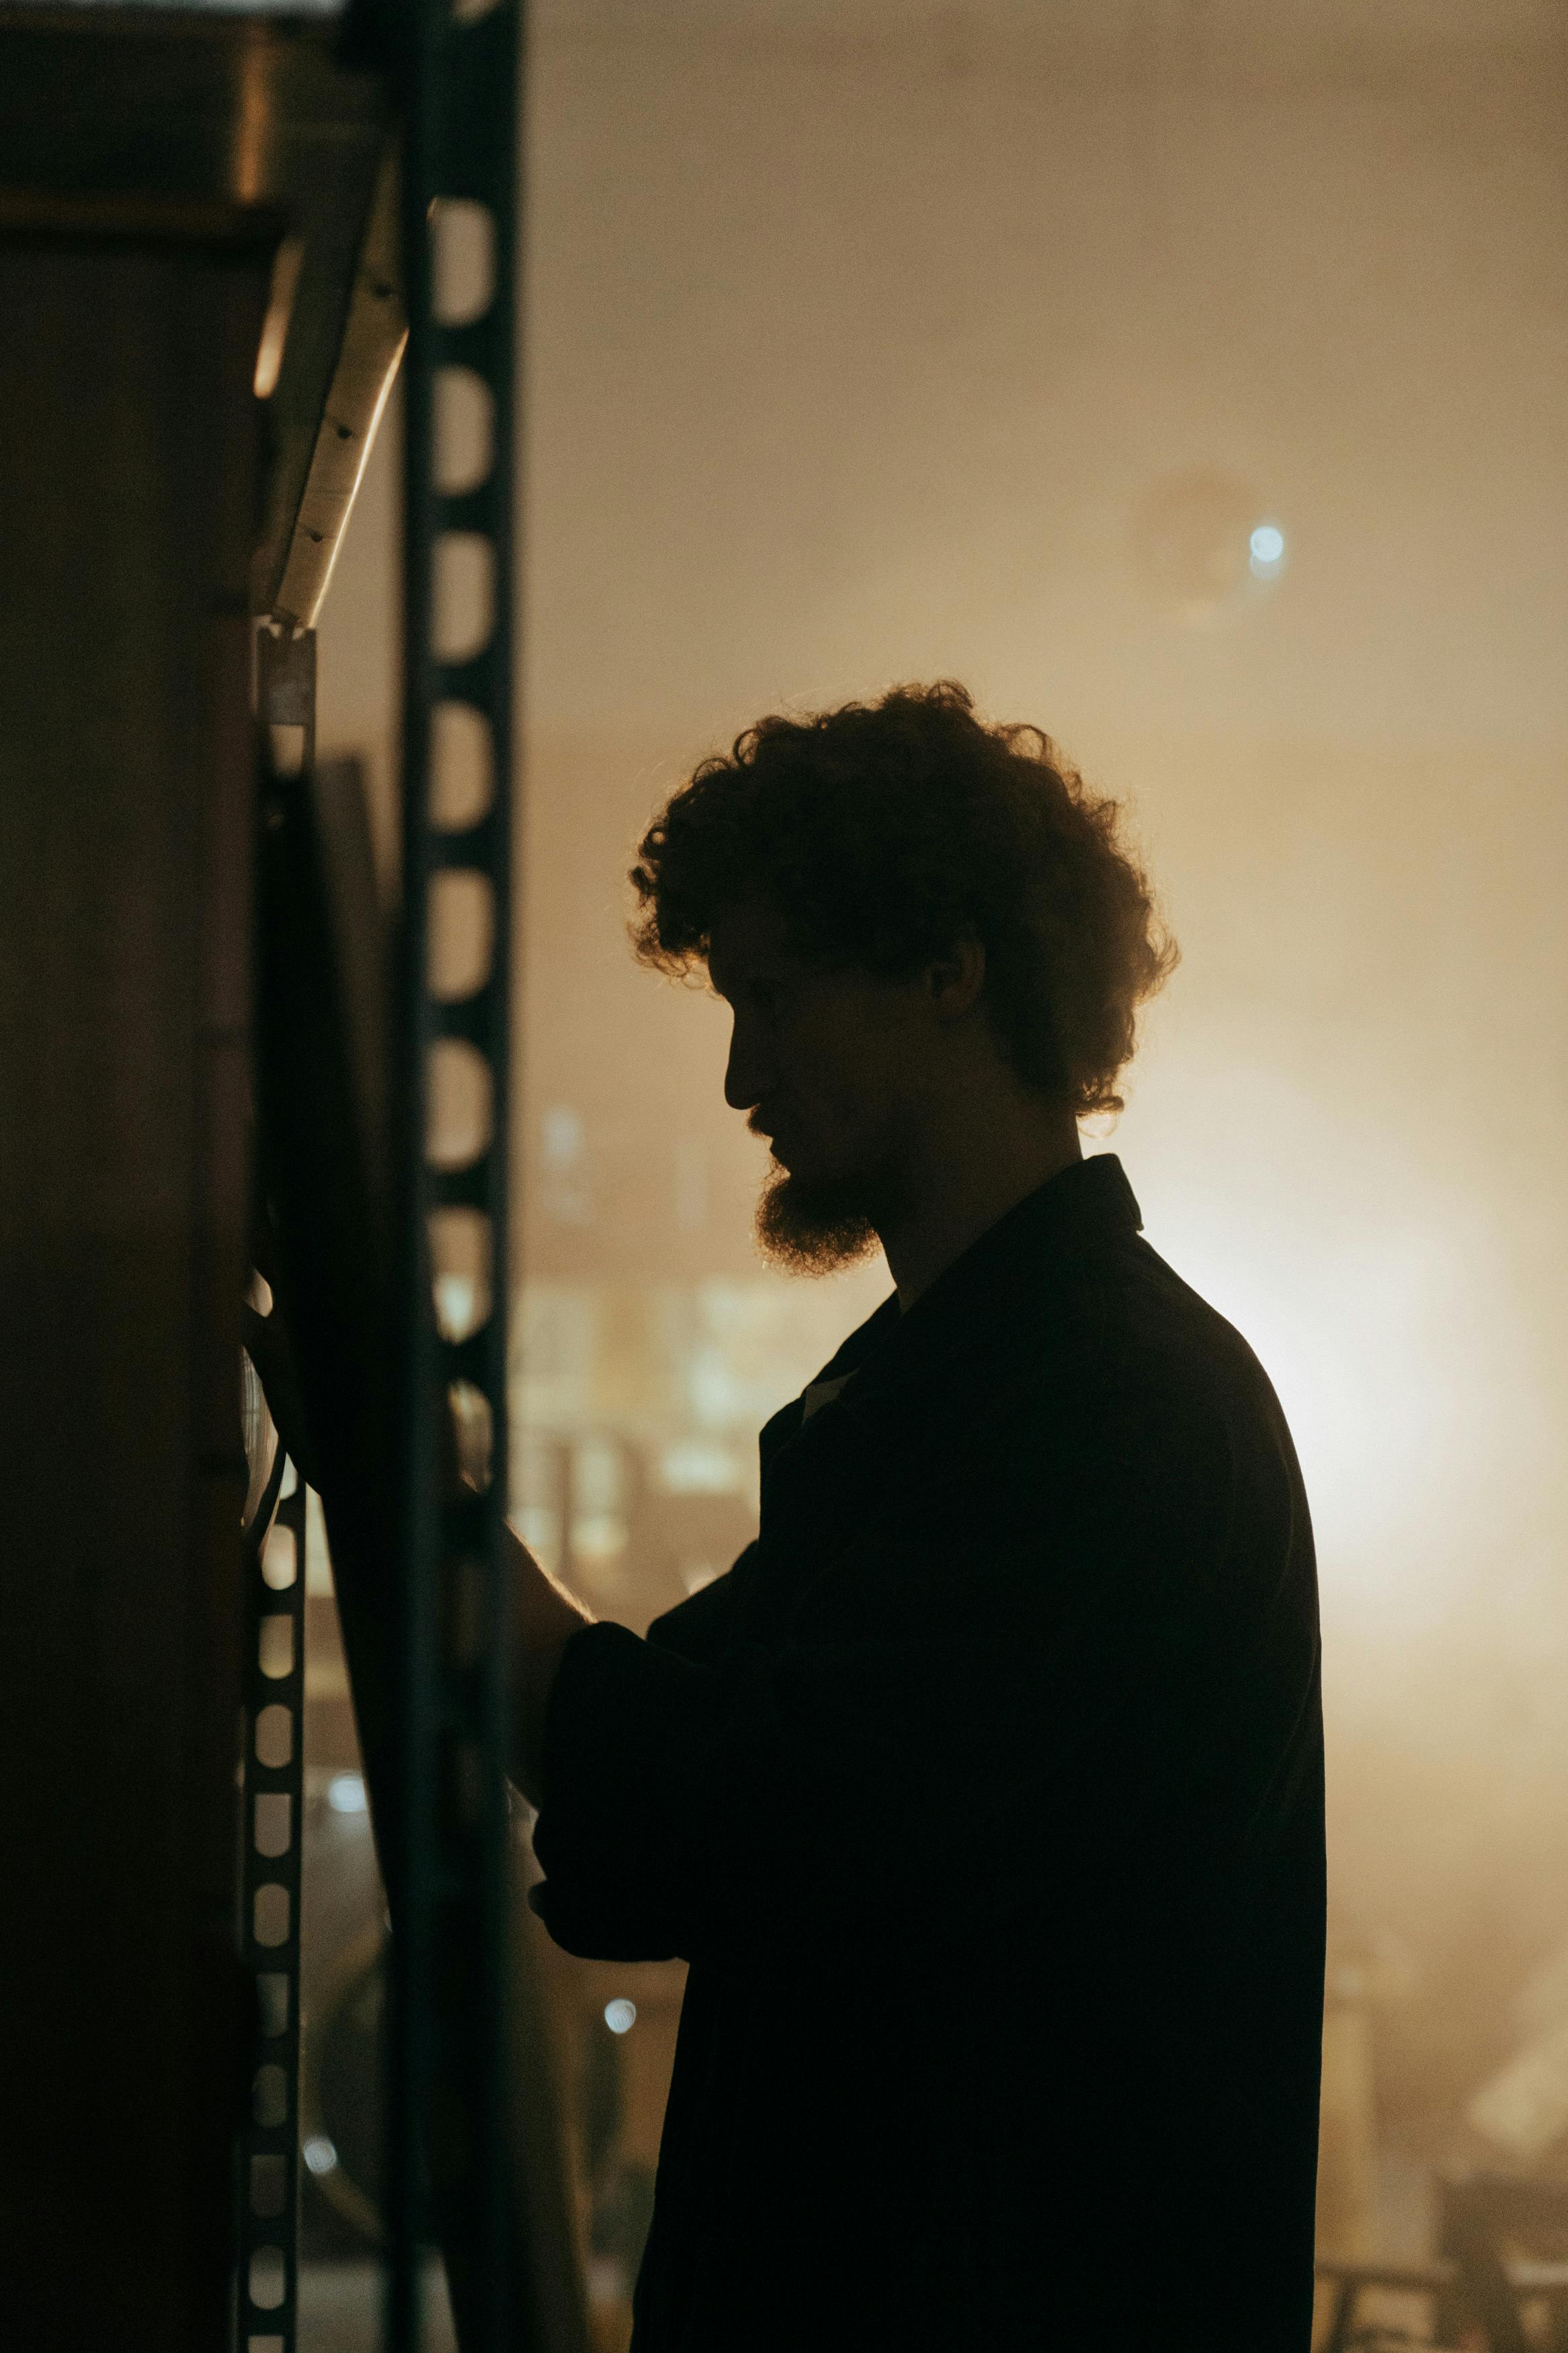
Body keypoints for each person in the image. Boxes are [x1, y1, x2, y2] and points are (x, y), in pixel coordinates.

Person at [508, 682, 1325, 2352]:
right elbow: (667, 1789)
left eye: (779, 999)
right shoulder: (954, 1397)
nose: (742, 1076)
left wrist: (442, 1548)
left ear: (952, 970)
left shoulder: (1098, 1409)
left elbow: (712, 1819)